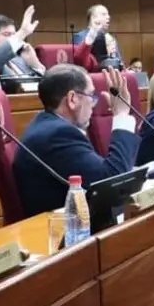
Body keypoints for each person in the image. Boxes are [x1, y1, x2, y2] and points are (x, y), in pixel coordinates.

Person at [13, 65, 139, 218]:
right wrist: (121, 114)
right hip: (61, 228)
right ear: (72, 99)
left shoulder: (47, 125)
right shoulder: (57, 135)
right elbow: (114, 184)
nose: (94, 104)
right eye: (91, 96)